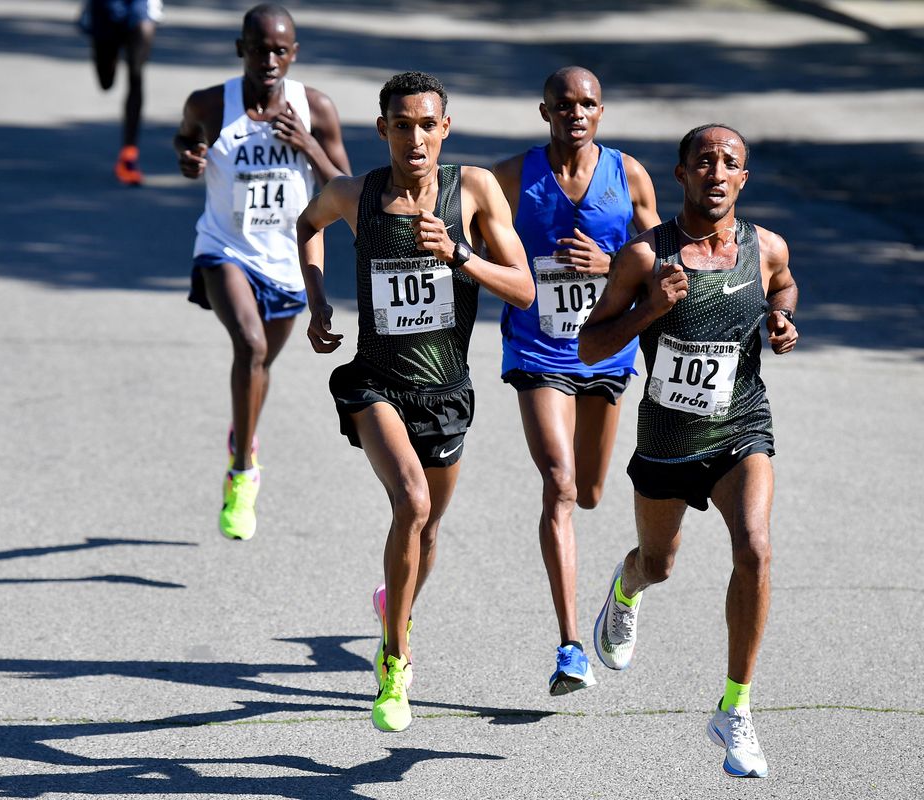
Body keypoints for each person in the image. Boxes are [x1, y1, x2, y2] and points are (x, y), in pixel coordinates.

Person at [296, 72, 535, 732]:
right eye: (402, 125)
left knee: (427, 531)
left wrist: (460, 255)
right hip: (375, 383)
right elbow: (305, 225)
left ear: (445, 129)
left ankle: (392, 606)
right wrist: (317, 301)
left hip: (446, 392)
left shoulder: (475, 190)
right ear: (384, 131)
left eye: (428, 124)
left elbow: (522, 289)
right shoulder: (355, 194)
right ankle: (396, 660)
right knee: (413, 502)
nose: (416, 136)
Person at [579, 124, 798, 778]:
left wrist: (785, 318)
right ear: (681, 174)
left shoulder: (766, 247)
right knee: (659, 563)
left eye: (729, 163)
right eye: (703, 161)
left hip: (740, 429)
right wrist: (650, 309)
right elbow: (591, 347)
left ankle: (735, 708)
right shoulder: (646, 257)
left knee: (755, 548)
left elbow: (784, 284)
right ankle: (626, 589)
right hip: (668, 442)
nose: (716, 171)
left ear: (742, 179)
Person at [491, 66, 659, 696]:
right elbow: (468, 226)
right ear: (545, 112)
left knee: (590, 492)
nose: (576, 114)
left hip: (606, 354)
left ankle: (620, 588)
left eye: (587, 104)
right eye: (564, 105)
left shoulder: (629, 175)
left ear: (601, 110)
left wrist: (611, 263)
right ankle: (569, 649)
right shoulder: (514, 175)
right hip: (537, 349)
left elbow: (662, 260)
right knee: (558, 484)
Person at [174, 4, 350, 541]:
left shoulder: (314, 107)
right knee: (250, 348)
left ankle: (241, 434)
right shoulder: (210, 102)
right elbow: (185, 138)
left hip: (287, 258)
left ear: (293, 53)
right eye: (258, 48)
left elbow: (345, 187)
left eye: (280, 50)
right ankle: (243, 473)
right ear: (240, 49)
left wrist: (307, 143)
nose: (269, 59)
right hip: (223, 248)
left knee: (261, 366)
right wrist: (190, 156)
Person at [79, 0, 162, 184]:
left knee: (136, 75)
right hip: (105, 6)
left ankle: (128, 156)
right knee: (106, 81)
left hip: (139, 6)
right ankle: (113, 43)